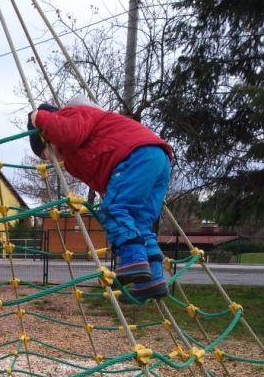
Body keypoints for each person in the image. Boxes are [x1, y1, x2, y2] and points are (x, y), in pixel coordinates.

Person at [28, 96, 173, 301]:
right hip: (157, 158)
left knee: (114, 210)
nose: (52, 158)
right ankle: (153, 280)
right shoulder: (74, 154)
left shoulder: (73, 115)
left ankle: (133, 261)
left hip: (134, 156)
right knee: (139, 223)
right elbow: (98, 177)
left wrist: (39, 118)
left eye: (47, 152)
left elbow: (67, 132)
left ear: (48, 134)